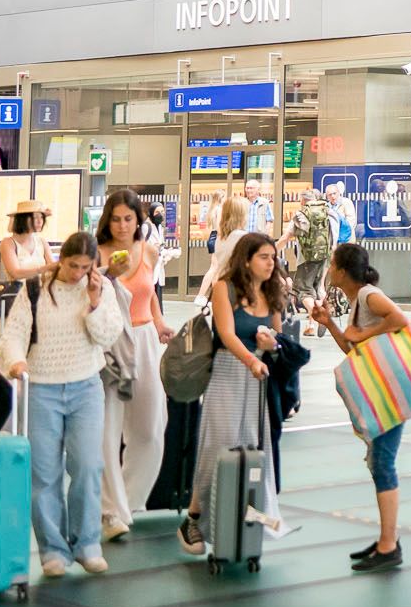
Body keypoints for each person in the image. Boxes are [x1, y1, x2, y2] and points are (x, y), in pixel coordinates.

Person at [3, 230, 125, 577]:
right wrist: (15, 361)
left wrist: (96, 302)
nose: (78, 273)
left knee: (88, 465)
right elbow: (13, 332)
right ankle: (52, 549)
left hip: (86, 386)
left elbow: (107, 336)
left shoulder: (100, 287)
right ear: (61, 259)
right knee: (44, 472)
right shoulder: (36, 288)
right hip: (41, 387)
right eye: (73, 266)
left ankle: (87, 543)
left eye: (86, 267)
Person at [311, 242, 411, 572]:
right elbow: (352, 348)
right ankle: (387, 539)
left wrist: (365, 331)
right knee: (378, 463)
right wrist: (330, 324)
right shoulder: (357, 301)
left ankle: (389, 545)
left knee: (383, 463)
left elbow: (400, 320)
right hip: (378, 391)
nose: (328, 270)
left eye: (331, 265)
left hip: (389, 393)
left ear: (341, 271)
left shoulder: (369, 296)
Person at [179, 233, 284, 555]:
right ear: (247, 259)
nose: (271, 263)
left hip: (258, 377)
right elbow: (226, 332)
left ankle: (247, 515)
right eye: (264, 257)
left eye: (272, 257)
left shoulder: (273, 290)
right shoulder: (223, 287)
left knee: (254, 444)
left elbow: (278, 334)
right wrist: (252, 357)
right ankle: (194, 518)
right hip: (228, 371)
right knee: (217, 445)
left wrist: (272, 346)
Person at [95, 189, 169, 541]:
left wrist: (159, 322)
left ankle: (129, 500)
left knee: (151, 428)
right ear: (106, 220)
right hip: (108, 344)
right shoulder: (95, 254)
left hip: (144, 340)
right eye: (117, 218)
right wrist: (107, 272)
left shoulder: (148, 251)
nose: (123, 225)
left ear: (139, 220)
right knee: (107, 430)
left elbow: (149, 293)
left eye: (129, 218)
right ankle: (110, 510)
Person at [195, 194, 250, 301]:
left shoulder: (212, 210)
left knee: (216, 267)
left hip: (213, 236)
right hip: (219, 235)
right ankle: (203, 295)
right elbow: (221, 226)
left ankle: (211, 295)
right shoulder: (220, 210)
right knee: (215, 268)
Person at [0, 198, 51, 291]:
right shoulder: (8, 243)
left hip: (43, 292)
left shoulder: (42, 242)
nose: (40, 221)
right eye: (35, 217)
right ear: (23, 219)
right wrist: (43, 269)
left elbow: (53, 268)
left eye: (42, 217)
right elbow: (15, 273)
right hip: (18, 295)